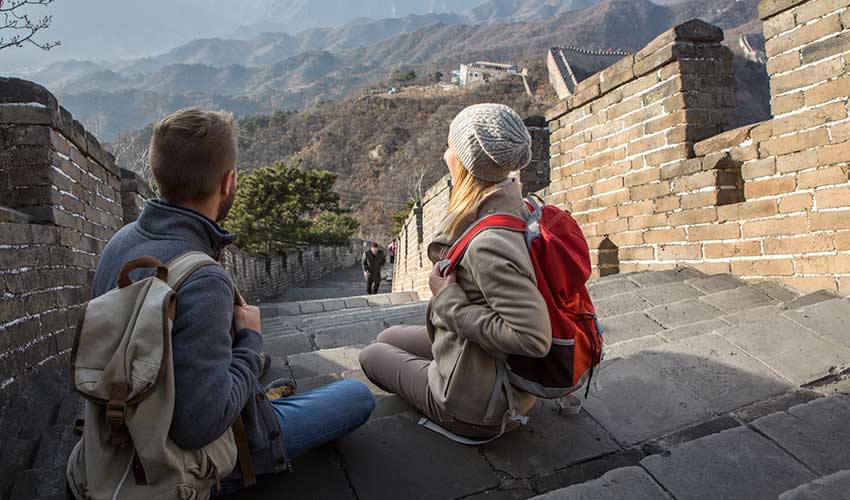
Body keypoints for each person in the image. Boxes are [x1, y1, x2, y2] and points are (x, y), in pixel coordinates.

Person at [89, 107, 375, 495]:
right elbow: (199, 425)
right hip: (186, 460)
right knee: (355, 396)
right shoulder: (203, 279)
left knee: (265, 366)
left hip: (121, 428)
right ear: (227, 183)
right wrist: (251, 340)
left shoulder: (120, 242)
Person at [358, 103, 552, 441]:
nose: (445, 153)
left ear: (463, 160)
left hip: (478, 406)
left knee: (371, 355)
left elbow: (532, 338)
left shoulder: (488, 243)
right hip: (476, 356)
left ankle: (453, 408)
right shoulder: (520, 207)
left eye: (450, 146)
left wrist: (449, 299)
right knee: (388, 338)